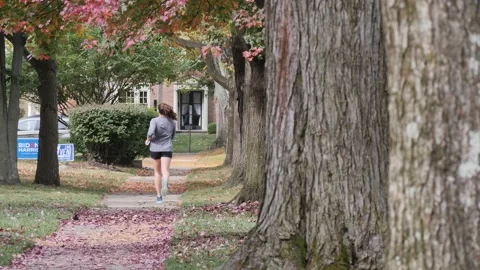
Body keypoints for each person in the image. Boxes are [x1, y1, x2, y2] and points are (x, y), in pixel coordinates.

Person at [145, 103, 176, 203]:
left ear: (159, 111)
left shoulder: (154, 121)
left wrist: (148, 139)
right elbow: (172, 135)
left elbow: (150, 133)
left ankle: (159, 197)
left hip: (155, 148)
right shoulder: (172, 122)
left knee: (157, 173)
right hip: (167, 148)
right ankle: (165, 183)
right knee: (165, 170)